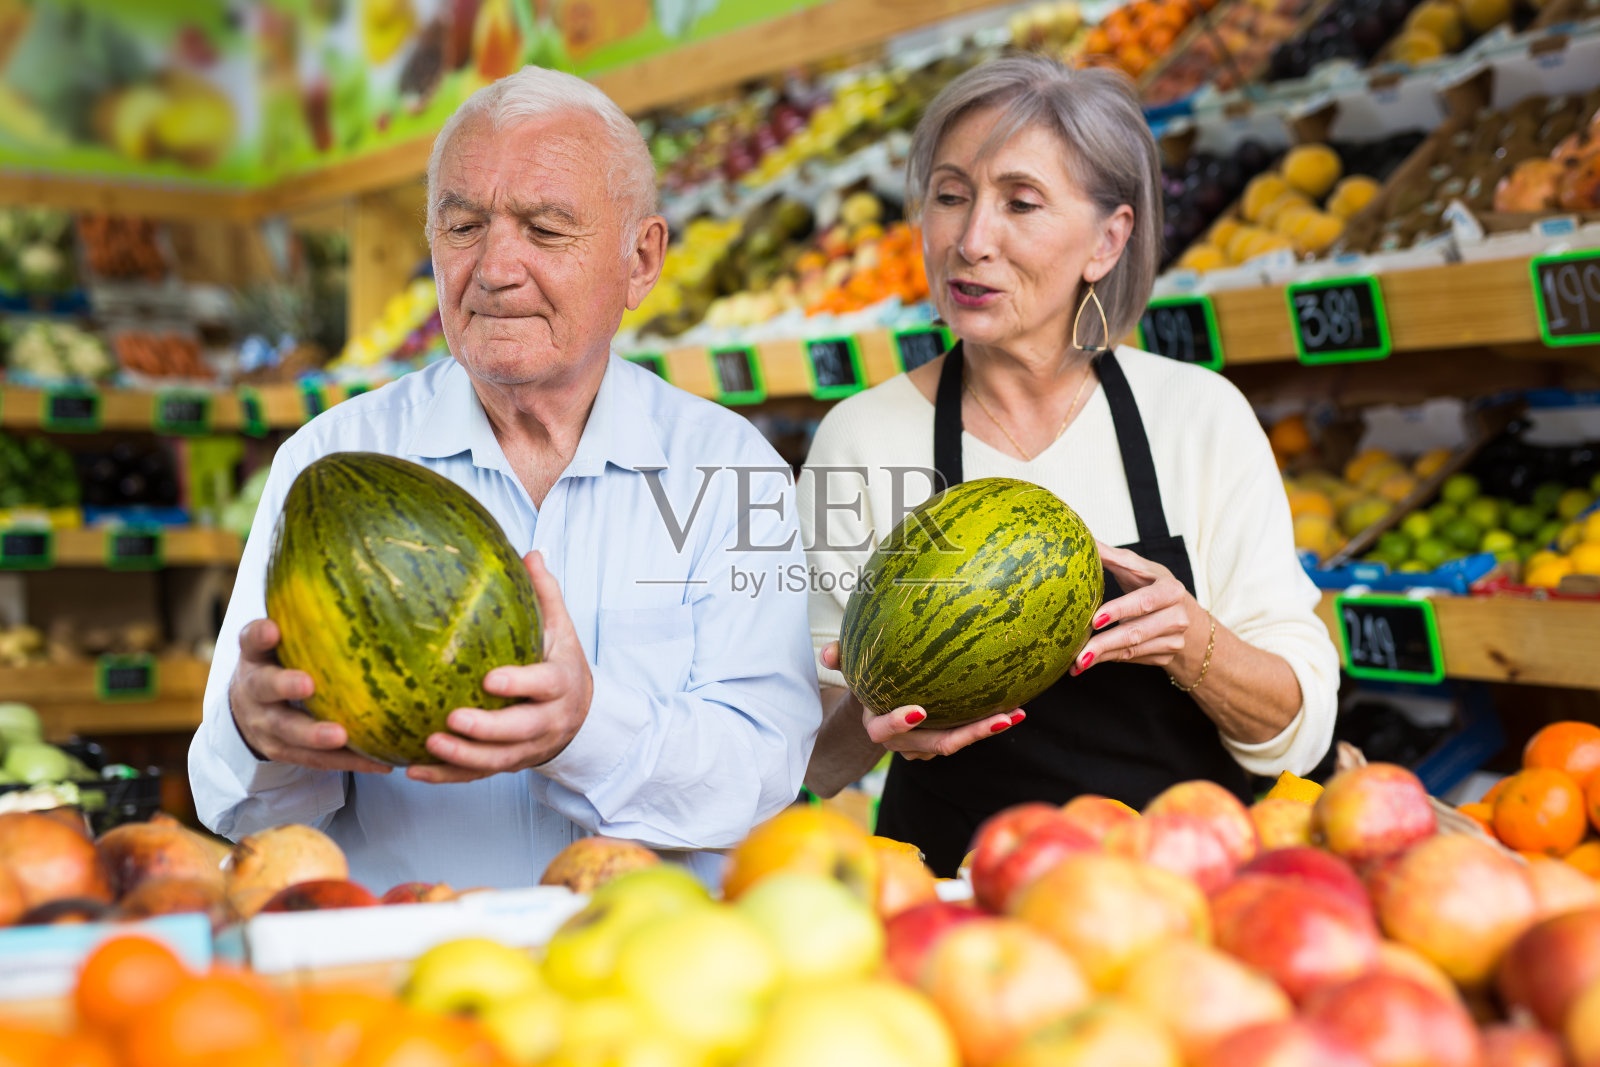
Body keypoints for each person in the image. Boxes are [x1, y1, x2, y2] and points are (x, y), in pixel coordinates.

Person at [190, 66, 821, 891]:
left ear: (641, 259)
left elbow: (761, 771)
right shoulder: (328, 460)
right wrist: (257, 729)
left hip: (649, 982)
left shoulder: (727, 468)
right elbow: (237, 807)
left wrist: (584, 728)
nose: (493, 268)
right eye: (463, 226)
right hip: (402, 976)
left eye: (546, 229)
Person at [800, 54, 1339, 876]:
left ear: (1107, 240)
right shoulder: (860, 439)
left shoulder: (1197, 417)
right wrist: (871, 720)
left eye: (1020, 203)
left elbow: (1298, 732)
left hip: (1182, 893)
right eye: (950, 196)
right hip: (952, 907)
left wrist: (1193, 642)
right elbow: (810, 761)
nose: (971, 240)